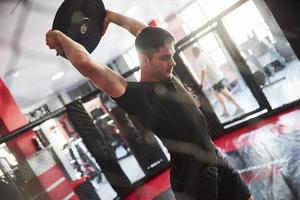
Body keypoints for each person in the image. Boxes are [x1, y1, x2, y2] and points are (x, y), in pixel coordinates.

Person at [46, 10, 252, 200]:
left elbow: (143, 32)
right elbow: (86, 64)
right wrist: (62, 37)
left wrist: (110, 16)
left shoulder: (169, 75)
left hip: (215, 158)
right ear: (145, 60)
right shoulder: (136, 95)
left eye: (171, 55)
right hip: (192, 179)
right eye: (165, 58)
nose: (173, 62)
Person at [192, 46, 244, 117]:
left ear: (195, 52)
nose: (193, 55)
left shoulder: (201, 59)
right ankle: (225, 111)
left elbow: (203, 71)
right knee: (217, 95)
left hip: (215, 80)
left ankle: (239, 107)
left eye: (193, 53)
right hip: (216, 78)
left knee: (226, 94)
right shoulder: (204, 55)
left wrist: (201, 82)